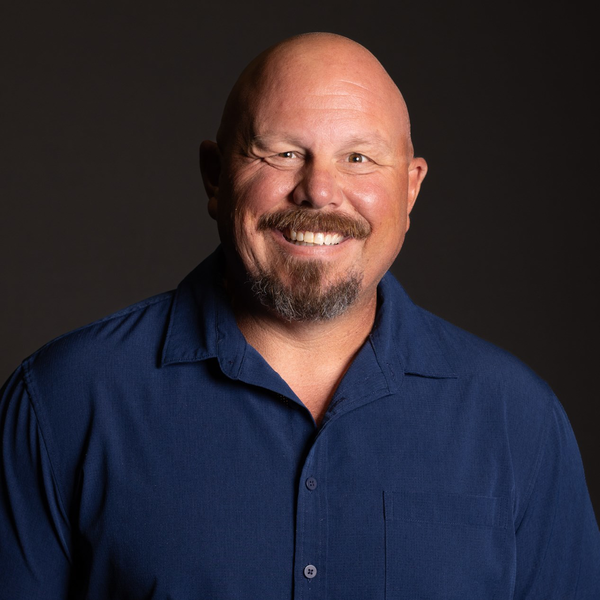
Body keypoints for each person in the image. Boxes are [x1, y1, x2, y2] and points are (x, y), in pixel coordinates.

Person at [1, 32, 598, 599]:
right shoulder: (63, 400)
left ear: (411, 189)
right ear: (215, 177)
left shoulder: (518, 420)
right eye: (283, 153)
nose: (318, 191)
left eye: (359, 157)